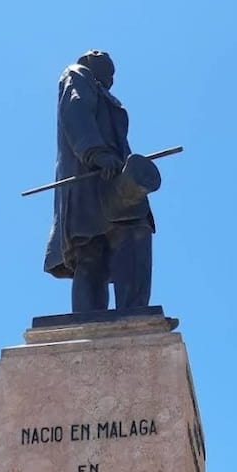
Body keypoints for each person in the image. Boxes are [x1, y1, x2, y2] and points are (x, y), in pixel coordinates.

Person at [43, 50, 157, 312]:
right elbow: (76, 113)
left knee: (125, 238)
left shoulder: (101, 93)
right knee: (95, 250)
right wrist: (97, 153)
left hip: (114, 180)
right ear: (93, 63)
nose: (112, 79)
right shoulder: (77, 74)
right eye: (109, 71)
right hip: (92, 181)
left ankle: (131, 315)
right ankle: (98, 319)